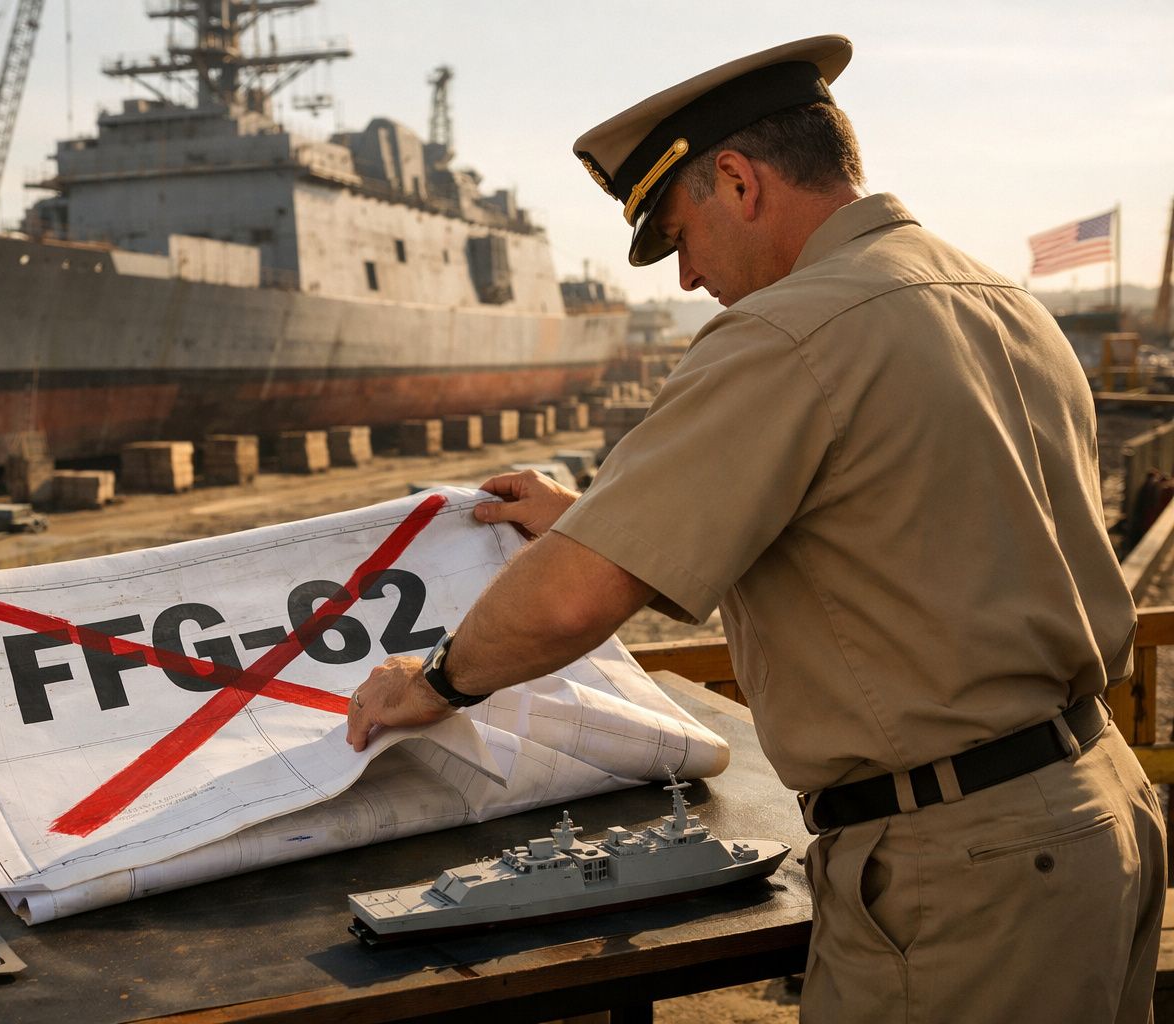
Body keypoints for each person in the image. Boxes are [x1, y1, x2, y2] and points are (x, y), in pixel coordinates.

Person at [344, 35, 1166, 1023]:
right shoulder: (998, 300)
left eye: (679, 235)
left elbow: (569, 600)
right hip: (1096, 813)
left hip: (963, 872)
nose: (688, 279)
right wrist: (595, 521)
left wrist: (432, 683)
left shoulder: (789, 331)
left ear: (735, 180)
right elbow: (892, 540)